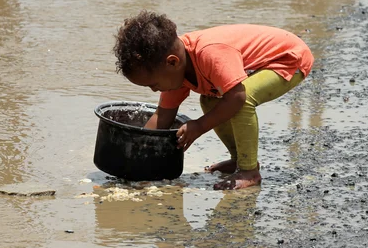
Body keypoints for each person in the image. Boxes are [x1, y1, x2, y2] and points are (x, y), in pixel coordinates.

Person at [112, 11, 313, 190]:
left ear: (172, 62)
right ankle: (239, 160)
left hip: (286, 58)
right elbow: (163, 116)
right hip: (258, 64)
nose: (154, 89)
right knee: (210, 102)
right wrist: (136, 156)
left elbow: (237, 97)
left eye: (153, 84)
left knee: (241, 101)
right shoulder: (176, 71)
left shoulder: (210, 53)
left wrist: (198, 126)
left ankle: (249, 171)